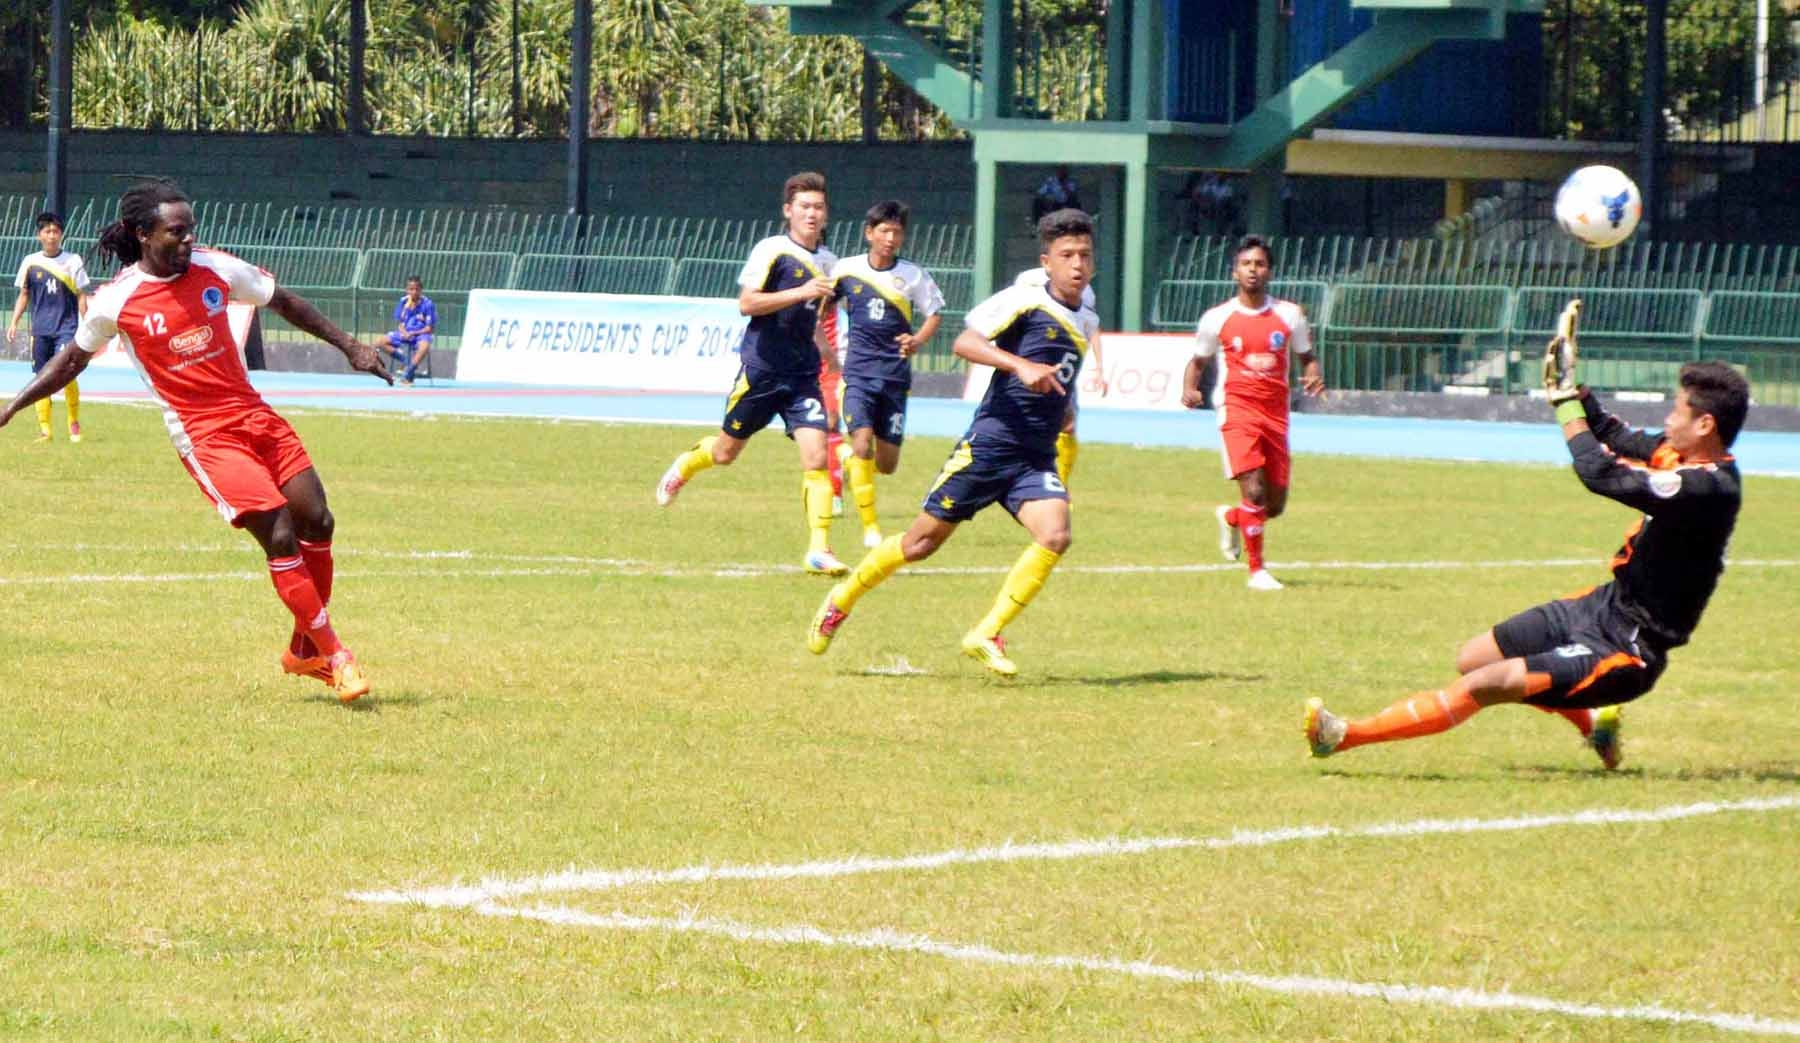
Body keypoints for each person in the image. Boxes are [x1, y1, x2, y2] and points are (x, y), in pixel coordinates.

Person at [0, 180, 392, 703]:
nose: (188, 241)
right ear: (144, 235)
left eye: (191, 231)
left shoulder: (216, 269)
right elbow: (72, 358)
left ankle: (304, 648)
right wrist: (13, 403)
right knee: (278, 532)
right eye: (176, 232)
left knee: (317, 519)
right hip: (204, 435)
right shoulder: (118, 302)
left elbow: (286, 303)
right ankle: (337, 654)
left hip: (255, 415)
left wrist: (351, 347)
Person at [1305, 325, 1749, 771]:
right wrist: (1573, 386)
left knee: (1485, 684)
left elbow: (1599, 472)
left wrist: (1563, 409)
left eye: (1676, 412)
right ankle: (1593, 723)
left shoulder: (1710, 488)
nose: (1668, 422)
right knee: (1472, 659)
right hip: (1601, 607)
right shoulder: (1680, 455)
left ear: (1705, 424)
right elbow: (1610, 431)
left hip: (1629, 647)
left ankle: (1344, 736)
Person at [807, 209, 1099, 677]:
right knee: (921, 543)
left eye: (1085, 255)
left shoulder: (1087, 311)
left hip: (1034, 453)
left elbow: (1062, 365)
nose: (1077, 265)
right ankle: (841, 600)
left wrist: (1063, 408)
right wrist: (1018, 366)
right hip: (990, 445)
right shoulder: (1024, 300)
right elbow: (966, 342)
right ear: (1047, 261)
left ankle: (986, 633)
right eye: (1067, 256)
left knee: (1056, 534)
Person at [654, 172, 848, 575]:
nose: (812, 214)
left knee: (817, 454)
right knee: (725, 453)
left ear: (826, 214)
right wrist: (801, 292)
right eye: (804, 207)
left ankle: (819, 548)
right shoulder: (773, 250)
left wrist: (825, 346)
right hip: (762, 370)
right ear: (788, 211)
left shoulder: (829, 262)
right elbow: (747, 303)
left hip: (801, 376)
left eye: (818, 207)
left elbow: (813, 313)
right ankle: (685, 466)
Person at [1182, 235, 1324, 590]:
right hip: (1237, 409)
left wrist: (1312, 373)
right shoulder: (1218, 318)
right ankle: (1257, 571)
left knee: (1273, 506)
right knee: (1255, 492)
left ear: (1270, 271)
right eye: (1247, 264)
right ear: (1235, 272)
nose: (1253, 270)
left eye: (1260, 264)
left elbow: (1307, 356)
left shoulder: (1289, 315)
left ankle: (1231, 518)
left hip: (1276, 415)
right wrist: (1190, 388)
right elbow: (1198, 360)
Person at [827, 199, 945, 549]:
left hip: (894, 377)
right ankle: (871, 528)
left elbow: (935, 312)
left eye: (897, 232)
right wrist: (824, 348)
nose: (890, 238)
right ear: (869, 233)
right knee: (862, 441)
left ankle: (847, 459)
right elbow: (821, 307)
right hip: (858, 374)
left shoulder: (912, 275)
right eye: (884, 231)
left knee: (887, 464)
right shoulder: (845, 270)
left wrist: (918, 339)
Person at [1011, 265, 1102, 484]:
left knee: (1067, 424)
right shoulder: (1027, 279)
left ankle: (1058, 483)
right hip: (1030, 362)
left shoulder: (1084, 290)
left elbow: (1090, 327)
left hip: (1062, 364)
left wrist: (1100, 365)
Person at [7, 212, 91, 443]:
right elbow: (24, 294)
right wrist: (14, 322)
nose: (52, 236)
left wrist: (89, 323)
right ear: (39, 235)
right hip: (40, 330)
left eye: (56, 231)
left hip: (67, 328)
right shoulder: (30, 262)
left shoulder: (73, 261)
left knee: (67, 375)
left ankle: (73, 423)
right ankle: (45, 431)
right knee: (40, 379)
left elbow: (82, 295)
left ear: (61, 235)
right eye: (47, 231)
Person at [385, 275, 436, 386]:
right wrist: (404, 332)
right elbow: (400, 324)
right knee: (380, 342)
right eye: (411, 289)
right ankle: (407, 363)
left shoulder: (428, 304)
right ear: (407, 290)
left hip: (420, 334)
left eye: (417, 289)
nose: (414, 292)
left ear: (421, 290)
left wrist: (414, 333)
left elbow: (430, 328)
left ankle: (408, 373)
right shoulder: (403, 302)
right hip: (405, 333)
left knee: (425, 346)